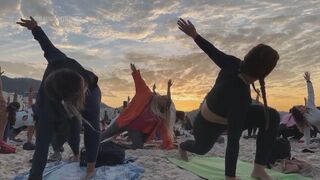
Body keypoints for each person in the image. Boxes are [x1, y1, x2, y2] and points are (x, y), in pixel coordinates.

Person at [177, 18, 279, 180]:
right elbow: (233, 140)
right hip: (206, 124)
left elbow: (212, 51)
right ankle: (182, 146)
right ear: (265, 73)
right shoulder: (239, 95)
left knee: (271, 115)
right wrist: (230, 177)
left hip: (227, 115)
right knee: (201, 149)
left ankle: (259, 168)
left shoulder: (234, 63)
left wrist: (195, 35)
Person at [17, 17, 101, 180]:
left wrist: (90, 168)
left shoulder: (90, 97)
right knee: (48, 138)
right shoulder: (57, 62)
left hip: (82, 96)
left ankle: (76, 154)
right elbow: (41, 144)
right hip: (50, 100)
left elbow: (93, 132)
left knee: (75, 129)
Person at [101, 64, 175, 149]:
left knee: (138, 146)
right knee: (107, 133)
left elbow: (164, 132)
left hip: (135, 129)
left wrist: (168, 144)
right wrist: (135, 72)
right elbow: (140, 83)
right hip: (126, 119)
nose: (164, 100)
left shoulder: (160, 117)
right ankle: (93, 142)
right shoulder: (148, 95)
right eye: (163, 98)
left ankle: (116, 145)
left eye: (165, 101)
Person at [289, 72, 320, 147]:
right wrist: (307, 145)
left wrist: (308, 81)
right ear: (299, 112)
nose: (302, 105)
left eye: (300, 105)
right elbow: (307, 133)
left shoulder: (310, 105)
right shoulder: (304, 120)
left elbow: (311, 93)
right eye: (299, 107)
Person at [0, 67, 17, 154]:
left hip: (3, 109)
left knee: (2, 131)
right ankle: (3, 145)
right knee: (2, 131)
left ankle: (3, 145)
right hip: (3, 109)